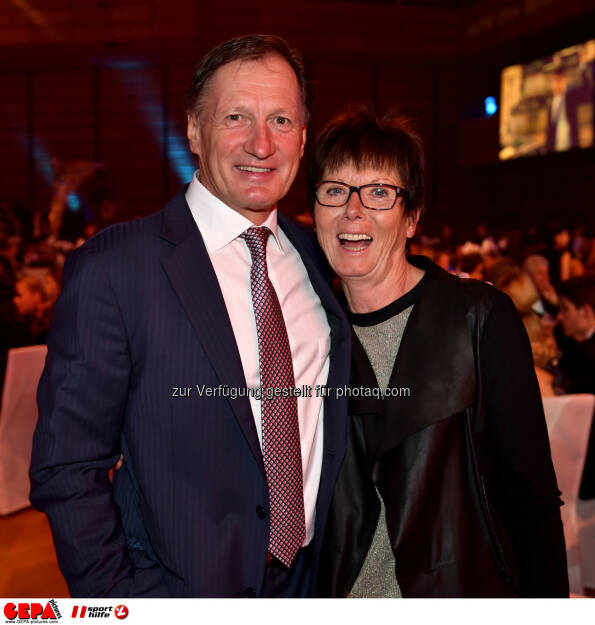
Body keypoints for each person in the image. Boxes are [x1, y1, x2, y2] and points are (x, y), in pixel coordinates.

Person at [29, 35, 351, 598]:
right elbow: (67, 467)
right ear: (195, 130)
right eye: (235, 117)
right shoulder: (115, 270)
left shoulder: (323, 264)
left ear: (303, 137)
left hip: (310, 586)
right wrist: (124, 604)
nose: (260, 143)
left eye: (280, 120)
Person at [310, 107, 568, 597]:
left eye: (379, 192)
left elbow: (530, 499)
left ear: (412, 217)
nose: (353, 211)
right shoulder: (305, 330)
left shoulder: (479, 319)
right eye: (335, 190)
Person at [556, 277, 595, 395]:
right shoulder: (577, 344)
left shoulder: (588, 357)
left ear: (586, 311)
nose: (559, 316)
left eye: (565, 309)